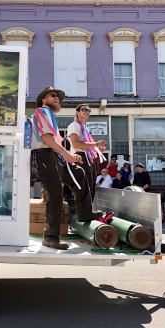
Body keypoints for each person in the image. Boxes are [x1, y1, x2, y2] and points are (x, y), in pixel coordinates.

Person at [31, 87, 103, 250]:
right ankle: (50, 237)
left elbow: (53, 141)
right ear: (44, 100)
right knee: (55, 195)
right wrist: (67, 154)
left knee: (78, 173)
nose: (57, 98)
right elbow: (46, 138)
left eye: (58, 96)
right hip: (43, 156)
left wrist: (67, 157)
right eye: (53, 95)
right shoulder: (42, 112)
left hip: (52, 155)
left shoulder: (50, 115)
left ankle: (84, 212)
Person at [67, 103, 106, 201]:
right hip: (80, 157)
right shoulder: (74, 125)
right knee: (84, 186)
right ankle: (82, 213)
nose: (86, 112)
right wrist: (96, 144)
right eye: (83, 110)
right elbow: (76, 144)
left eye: (88, 110)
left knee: (90, 186)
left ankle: (89, 210)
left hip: (88, 158)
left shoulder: (85, 128)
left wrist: (97, 149)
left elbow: (87, 145)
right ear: (77, 112)